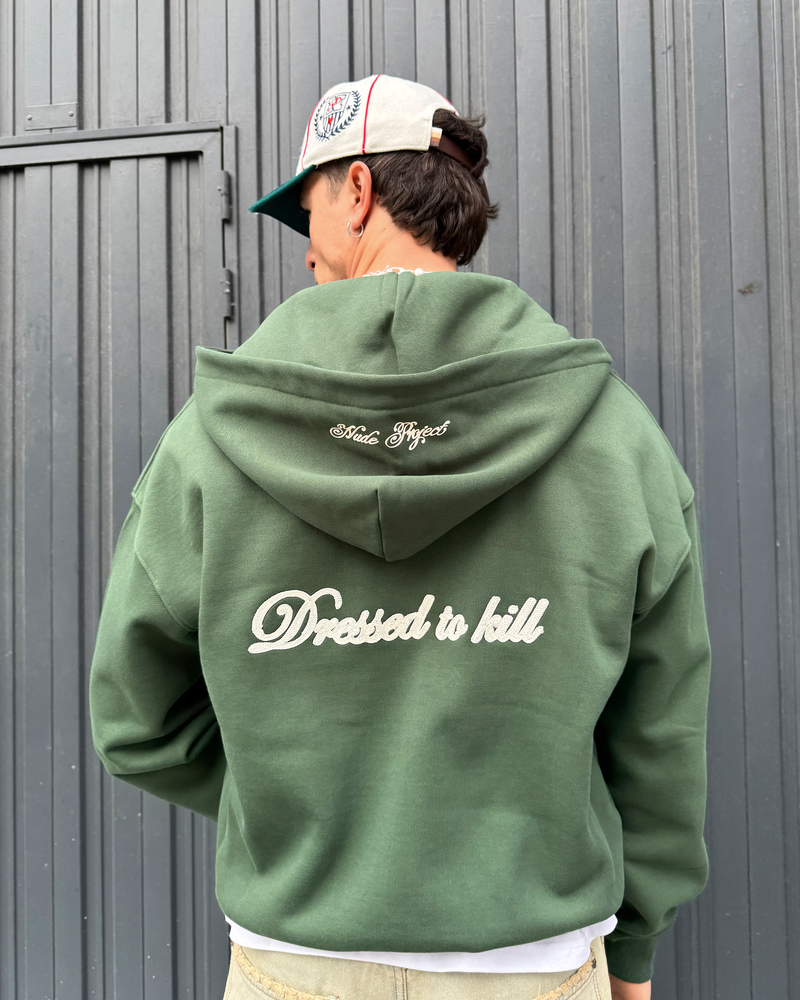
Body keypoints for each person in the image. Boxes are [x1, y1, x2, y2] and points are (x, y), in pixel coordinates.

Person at [89, 74, 711, 1000]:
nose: (305, 249)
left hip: (293, 960)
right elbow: (661, 732)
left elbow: (135, 721)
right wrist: (638, 947)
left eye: (307, 212)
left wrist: (302, 802)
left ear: (358, 191)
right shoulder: (613, 438)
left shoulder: (204, 445)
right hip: (533, 963)